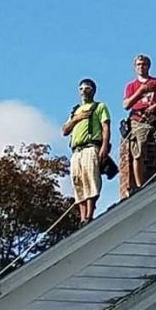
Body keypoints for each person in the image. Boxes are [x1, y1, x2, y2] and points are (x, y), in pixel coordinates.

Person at [122, 54, 156, 189]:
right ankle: (139, 186)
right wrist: (140, 92)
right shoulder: (131, 86)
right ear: (135, 67)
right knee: (138, 150)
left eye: (144, 64)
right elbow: (126, 105)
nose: (141, 67)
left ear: (149, 66)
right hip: (138, 119)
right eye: (139, 64)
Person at [62, 78, 111, 225]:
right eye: (81, 89)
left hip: (91, 147)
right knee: (78, 181)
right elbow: (64, 130)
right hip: (76, 150)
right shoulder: (75, 111)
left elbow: (106, 128)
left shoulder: (99, 107)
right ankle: (82, 217)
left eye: (87, 88)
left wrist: (104, 146)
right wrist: (76, 119)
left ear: (93, 91)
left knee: (91, 179)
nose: (84, 91)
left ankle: (89, 214)